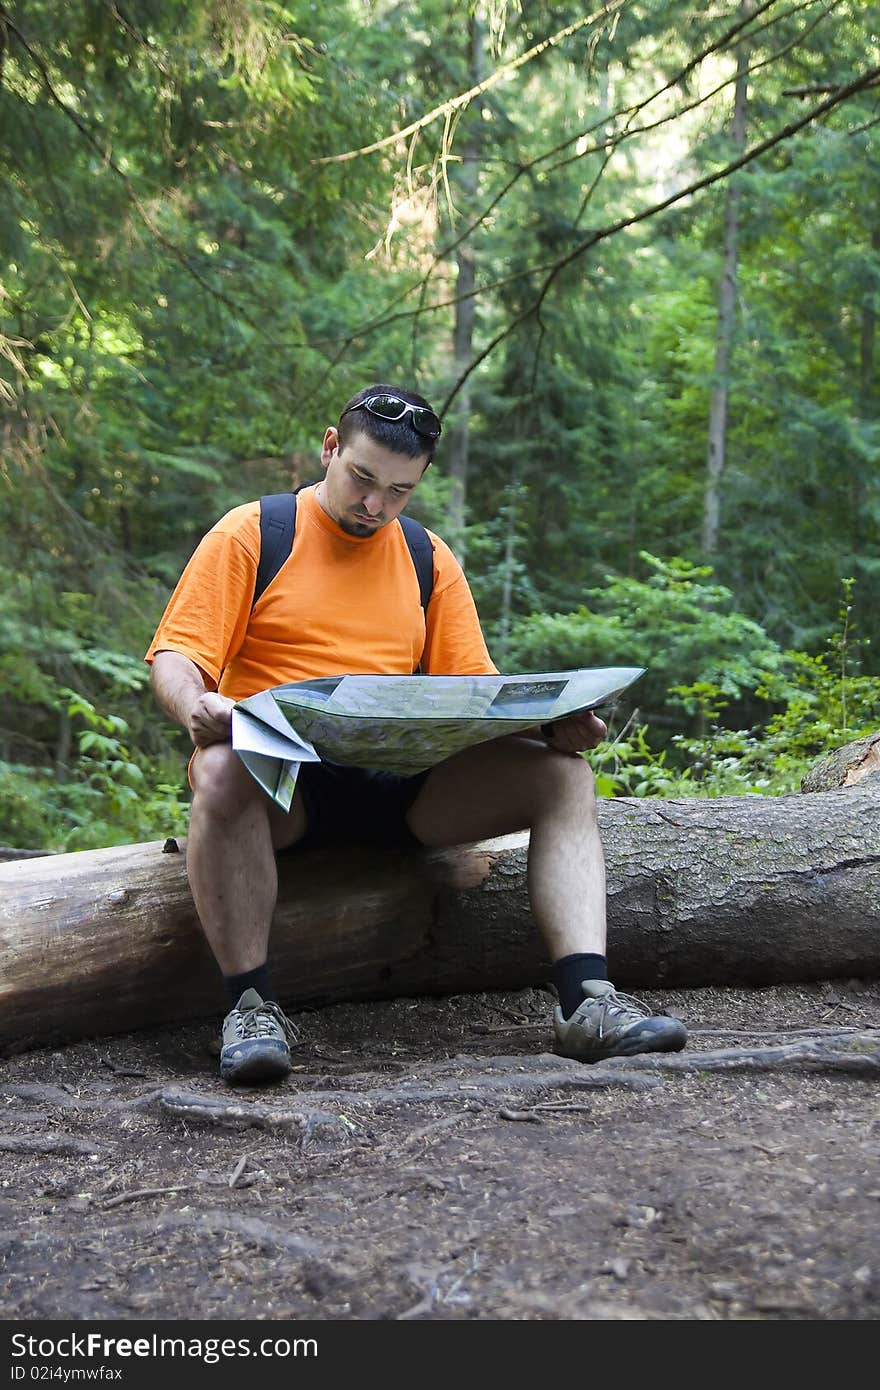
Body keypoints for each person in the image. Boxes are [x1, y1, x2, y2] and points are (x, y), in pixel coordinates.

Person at [146, 383, 687, 1084]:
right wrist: (198, 705)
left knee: (563, 776)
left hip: (403, 789)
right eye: (362, 479)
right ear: (331, 448)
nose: (375, 505)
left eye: (399, 491)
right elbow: (176, 656)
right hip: (280, 791)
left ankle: (588, 1004)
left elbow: (476, 699)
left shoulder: (429, 558)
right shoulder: (253, 532)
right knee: (219, 767)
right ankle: (250, 1006)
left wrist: (551, 730)